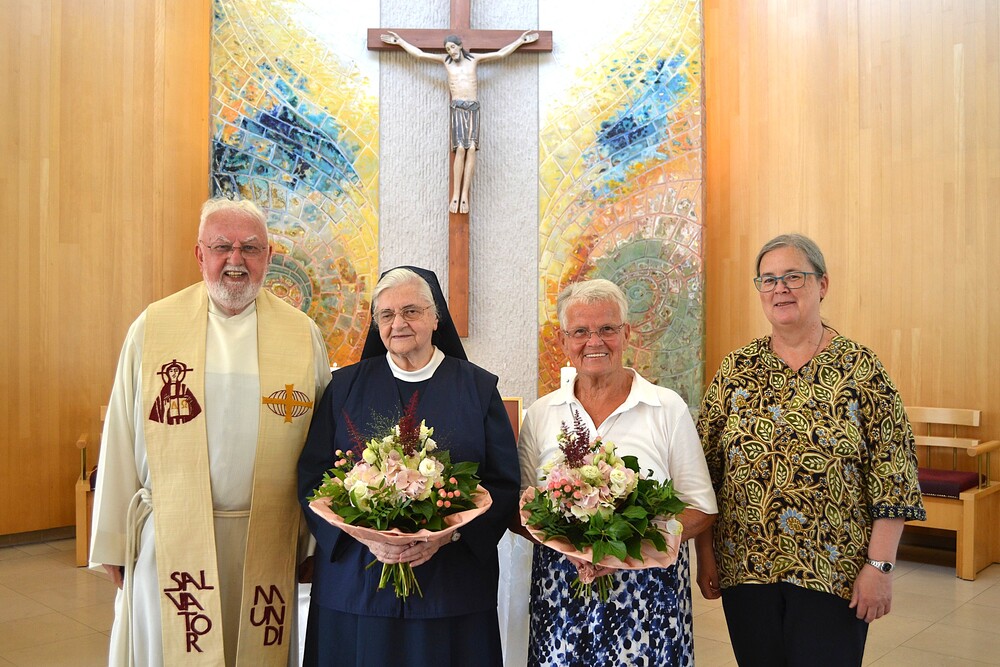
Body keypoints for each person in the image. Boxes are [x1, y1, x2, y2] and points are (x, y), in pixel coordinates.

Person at [90, 196, 331, 666]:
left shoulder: (302, 336)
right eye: (223, 247)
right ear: (200, 254)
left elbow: (320, 451)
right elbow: (119, 435)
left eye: (251, 248)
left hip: (267, 537)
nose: (236, 261)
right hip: (170, 536)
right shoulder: (153, 328)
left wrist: (312, 541)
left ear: (269, 257)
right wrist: (115, 540)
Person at [694, 233, 926, 666]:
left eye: (793, 277)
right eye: (768, 279)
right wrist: (706, 557)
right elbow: (703, 472)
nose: (779, 288)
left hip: (835, 570)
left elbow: (895, 475)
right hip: (747, 571)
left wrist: (880, 568)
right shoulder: (735, 370)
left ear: (822, 285)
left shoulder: (861, 368)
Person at [297, 266, 519, 667]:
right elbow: (314, 476)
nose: (398, 323)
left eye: (411, 311)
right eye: (386, 314)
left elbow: (502, 484)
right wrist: (363, 535)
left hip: (450, 588)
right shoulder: (343, 387)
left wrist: (448, 537)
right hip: (358, 584)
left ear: (437, 319)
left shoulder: (478, 388)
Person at [516, 278, 718, 666]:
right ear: (563, 341)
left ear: (626, 333)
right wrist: (572, 545)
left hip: (647, 601)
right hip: (564, 597)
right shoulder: (542, 415)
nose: (595, 341)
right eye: (580, 332)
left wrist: (629, 543)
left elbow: (701, 508)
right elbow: (522, 508)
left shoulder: (666, 407)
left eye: (607, 329)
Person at [380, 30, 538, 214]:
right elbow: (420, 54)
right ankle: (455, 194)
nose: (450, 51)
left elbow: (500, 54)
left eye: (452, 47)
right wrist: (400, 42)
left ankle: (464, 195)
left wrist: (520, 41)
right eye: (447, 49)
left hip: (473, 107)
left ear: (460, 46)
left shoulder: (474, 60)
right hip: (457, 107)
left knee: (471, 148)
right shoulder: (445, 62)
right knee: (460, 149)